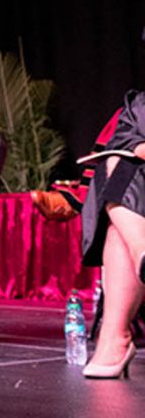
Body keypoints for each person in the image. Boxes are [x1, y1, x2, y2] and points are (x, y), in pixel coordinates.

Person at [78, 89, 145, 378]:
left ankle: (114, 339)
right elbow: (124, 139)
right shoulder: (141, 104)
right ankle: (142, 250)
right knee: (116, 164)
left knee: (121, 220)